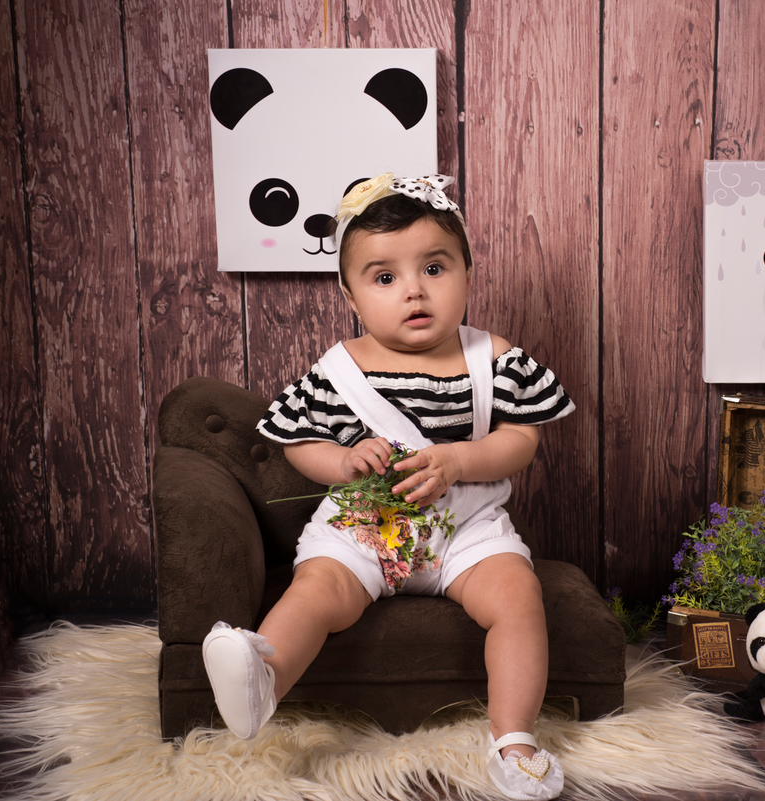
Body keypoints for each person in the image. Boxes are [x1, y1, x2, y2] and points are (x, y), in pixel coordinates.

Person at [201, 173, 574, 801]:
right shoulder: (340, 369)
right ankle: (261, 676)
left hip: (466, 530)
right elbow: (298, 443)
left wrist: (459, 460)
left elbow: (522, 441)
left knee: (518, 597)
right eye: (384, 278)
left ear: (468, 273)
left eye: (435, 267)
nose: (414, 290)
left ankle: (513, 738)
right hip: (364, 529)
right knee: (320, 587)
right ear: (349, 293)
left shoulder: (493, 359)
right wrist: (344, 461)